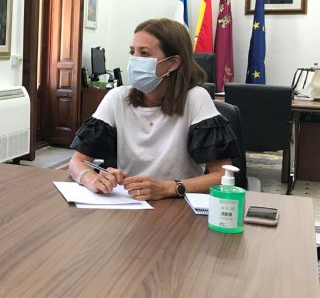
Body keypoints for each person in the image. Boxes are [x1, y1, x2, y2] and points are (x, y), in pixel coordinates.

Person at [69, 18, 239, 200]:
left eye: (144, 53)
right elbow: (76, 162)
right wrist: (91, 179)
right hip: (128, 202)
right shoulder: (116, 97)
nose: (134, 60)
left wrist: (167, 188)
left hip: (177, 205)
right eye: (132, 52)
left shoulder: (196, 98)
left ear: (173, 63)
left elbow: (222, 177)